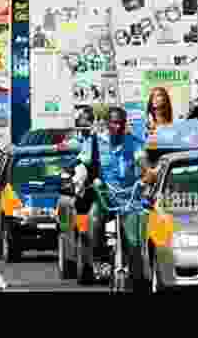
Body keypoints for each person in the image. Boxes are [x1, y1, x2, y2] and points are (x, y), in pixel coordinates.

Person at [71, 107, 149, 282]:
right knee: (94, 219)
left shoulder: (134, 142)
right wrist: (80, 178)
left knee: (134, 239)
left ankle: (136, 272)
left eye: (122, 122)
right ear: (106, 123)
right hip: (105, 196)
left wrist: (146, 174)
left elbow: (142, 160)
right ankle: (101, 260)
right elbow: (83, 163)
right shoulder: (95, 142)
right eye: (114, 122)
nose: (119, 126)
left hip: (129, 198)